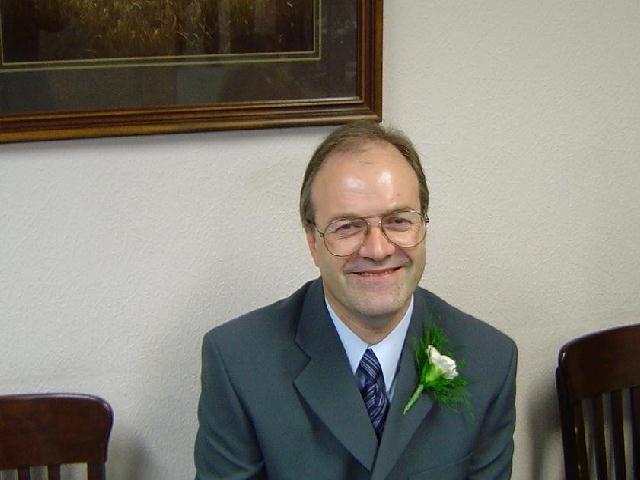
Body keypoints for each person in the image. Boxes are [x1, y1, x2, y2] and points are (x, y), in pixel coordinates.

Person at [194, 121, 517, 479]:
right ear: (313, 242)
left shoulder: (490, 360)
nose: (377, 250)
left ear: (423, 228)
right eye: (347, 226)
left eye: (398, 221)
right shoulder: (238, 364)